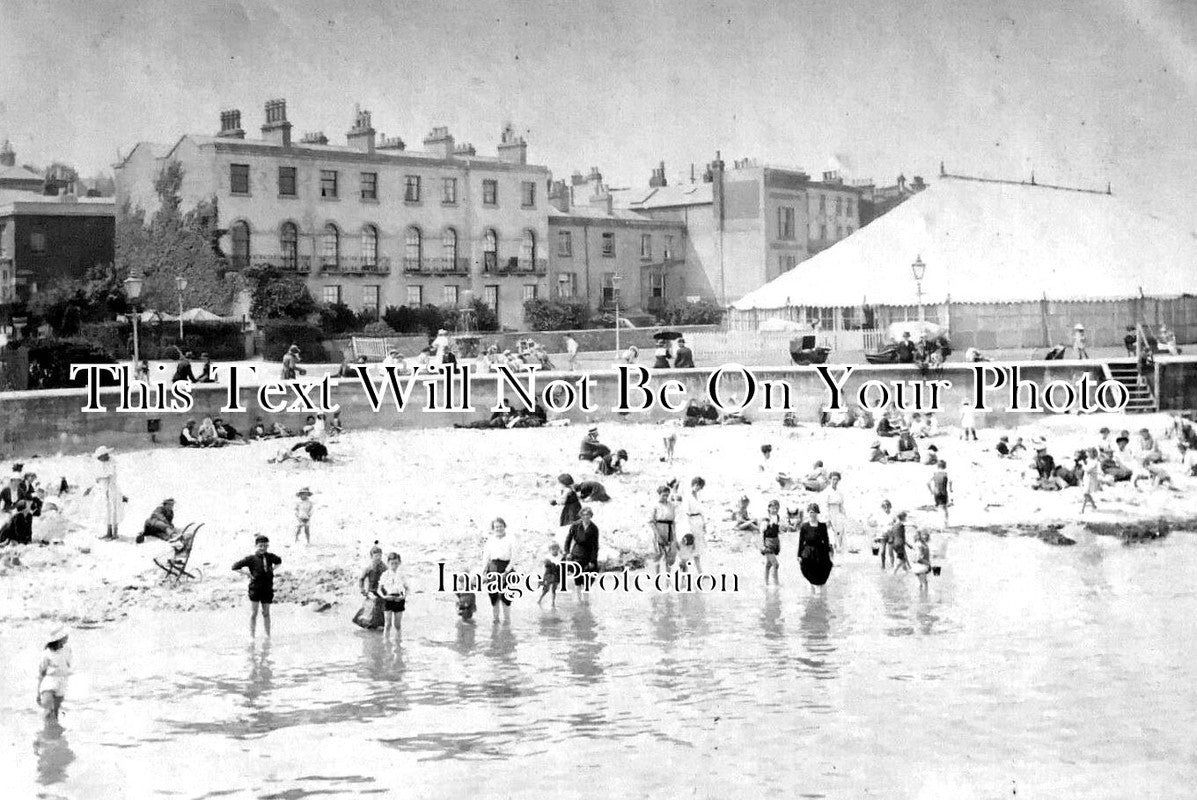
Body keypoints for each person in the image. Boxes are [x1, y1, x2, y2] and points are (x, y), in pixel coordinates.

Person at [232, 535, 282, 638]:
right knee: (254, 613)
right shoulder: (251, 558)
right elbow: (234, 567)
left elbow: (279, 561)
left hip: (267, 588)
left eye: (265, 546)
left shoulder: (270, 556)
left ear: (267, 546)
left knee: (266, 613)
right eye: (260, 546)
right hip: (255, 588)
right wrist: (247, 574)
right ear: (256, 546)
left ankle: (268, 636)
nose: (263, 548)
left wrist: (273, 569)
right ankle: (252, 636)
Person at [85, 446, 125, 540]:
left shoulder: (111, 462)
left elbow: (108, 476)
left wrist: (99, 479)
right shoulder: (104, 464)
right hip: (106, 490)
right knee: (107, 512)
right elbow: (99, 478)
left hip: (112, 490)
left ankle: (114, 534)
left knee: (114, 511)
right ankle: (108, 532)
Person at [483, 518, 515, 625]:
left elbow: (514, 558)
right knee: (494, 596)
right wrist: (484, 572)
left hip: (506, 568)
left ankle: (507, 620)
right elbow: (486, 557)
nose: (498, 529)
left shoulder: (511, 539)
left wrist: (506, 572)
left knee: (506, 597)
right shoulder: (490, 540)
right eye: (496, 527)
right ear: (493, 528)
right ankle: (495, 619)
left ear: (504, 526)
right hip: (492, 568)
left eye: (500, 526)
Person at [564, 506, 600, 601]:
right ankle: (579, 600)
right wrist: (567, 552)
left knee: (588, 579)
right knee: (578, 579)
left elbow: (595, 546)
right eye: (583, 515)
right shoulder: (575, 525)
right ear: (581, 515)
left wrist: (593, 560)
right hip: (576, 554)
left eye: (588, 515)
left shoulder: (594, 528)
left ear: (591, 516)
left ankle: (586, 601)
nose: (585, 517)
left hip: (588, 554)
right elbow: (568, 540)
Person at [37, 627, 71, 725]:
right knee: (48, 711)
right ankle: (43, 735)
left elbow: (68, 665)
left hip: (62, 682)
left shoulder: (67, 649)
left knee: (55, 712)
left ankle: (54, 735)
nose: (67, 636)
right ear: (59, 638)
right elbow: (41, 673)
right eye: (65, 635)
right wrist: (38, 692)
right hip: (49, 682)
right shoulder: (47, 653)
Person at [797, 503, 833, 594]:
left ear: (817, 513)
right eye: (810, 512)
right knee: (809, 575)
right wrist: (799, 555)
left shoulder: (822, 526)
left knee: (820, 577)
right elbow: (801, 542)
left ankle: (819, 599)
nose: (812, 514)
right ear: (808, 513)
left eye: (814, 512)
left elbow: (826, 541)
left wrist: (829, 554)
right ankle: (812, 596)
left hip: (820, 553)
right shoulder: (804, 526)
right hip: (808, 554)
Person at [678, 477, 708, 574]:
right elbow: (686, 513)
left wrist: (704, 524)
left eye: (700, 487)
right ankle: (682, 566)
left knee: (698, 549)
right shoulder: (688, 496)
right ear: (694, 484)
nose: (699, 488)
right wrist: (688, 529)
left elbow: (702, 511)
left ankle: (700, 572)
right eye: (698, 485)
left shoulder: (698, 496)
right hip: (691, 522)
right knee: (689, 547)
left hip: (698, 521)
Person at [354, 544, 387, 630]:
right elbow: (361, 579)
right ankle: (369, 629)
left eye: (380, 555)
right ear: (371, 556)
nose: (378, 558)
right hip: (371, 592)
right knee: (368, 613)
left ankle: (380, 629)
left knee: (381, 614)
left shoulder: (384, 567)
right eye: (376, 556)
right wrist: (363, 590)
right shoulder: (368, 568)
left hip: (381, 593)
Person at [648, 484, 679, 574]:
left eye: (667, 495)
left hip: (669, 530)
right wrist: (658, 535)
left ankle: (668, 579)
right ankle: (657, 577)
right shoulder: (655, 505)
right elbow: (651, 521)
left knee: (669, 556)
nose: (665, 497)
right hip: (658, 529)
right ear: (659, 494)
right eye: (663, 495)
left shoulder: (671, 505)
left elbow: (673, 521)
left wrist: (674, 536)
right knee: (658, 554)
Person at [377, 552, 409, 640]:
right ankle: (386, 643)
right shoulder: (385, 574)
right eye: (392, 563)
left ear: (399, 563)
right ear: (388, 563)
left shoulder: (401, 575)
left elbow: (407, 588)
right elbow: (379, 589)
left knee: (397, 625)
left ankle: (398, 644)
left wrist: (404, 597)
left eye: (396, 563)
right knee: (387, 624)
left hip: (399, 599)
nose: (394, 565)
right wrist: (384, 597)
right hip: (388, 598)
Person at [821, 472, 847, 552]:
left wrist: (844, 516)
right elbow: (824, 506)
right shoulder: (826, 491)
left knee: (839, 536)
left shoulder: (840, 492)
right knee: (830, 537)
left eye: (837, 479)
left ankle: (837, 557)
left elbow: (842, 505)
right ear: (830, 479)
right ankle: (829, 558)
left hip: (838, 515)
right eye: (833, 479)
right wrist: (827, 519)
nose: (835, 481)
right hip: (830, 513)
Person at [761, 498, 783, 585]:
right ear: (769, 508)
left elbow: (777, 531)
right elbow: (761, 533)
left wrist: (779, 543)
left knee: (768, 564)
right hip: (768, 543)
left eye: (777, 508)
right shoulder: (766, 520)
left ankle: (766, 583)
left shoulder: (777, 517)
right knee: (776, 564)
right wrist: (763, 546)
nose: (775, 510)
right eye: (773, 508)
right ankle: (776, 583)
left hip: (775, 542)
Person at [870, 499, 895, 569]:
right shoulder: (880, 515)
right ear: (882, 508)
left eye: (888, 506)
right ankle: (883, 565)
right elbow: (876, 525)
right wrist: (875, 536)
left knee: (890, 552)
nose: (886, 508)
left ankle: (892, 566)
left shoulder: (893, 515)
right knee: (882, 551)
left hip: (890, 535)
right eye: (884, 507)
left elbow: (896, 524)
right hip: (882, 535)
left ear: (890, 506)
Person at [538, 541, 564, 608]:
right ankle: (540, 599)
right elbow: (541, 565)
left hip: (557, 574)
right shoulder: (547, 556)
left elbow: (564, 566)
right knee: (546, 589)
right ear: (550, 550)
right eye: (553, 549)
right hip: (548, 574)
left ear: (558, 549)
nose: (555, 550)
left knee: (554, 589)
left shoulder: (561, 557)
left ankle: (553, 602)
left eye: (556, 549)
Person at [928, 460, 952, 527]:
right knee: (944, 508)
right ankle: (945, 524)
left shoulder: (934, 474)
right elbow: (950, 482)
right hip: (943, 492)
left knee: (939, 507)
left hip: (936, 492)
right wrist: (950, 489)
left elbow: (928, 483)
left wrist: (931, 491)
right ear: (945, 466)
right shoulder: (946, 474)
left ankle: (939, 523)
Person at [1080, 449, 1101, 514]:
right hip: (1087, 479)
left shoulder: (1095, 462)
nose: (1088, 454)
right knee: (1087, 493)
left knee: (1085, 493)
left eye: (1089, 452)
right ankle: (1094, 505)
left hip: (1091, 480)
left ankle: (1082, 509)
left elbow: (1088, 469)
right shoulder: (1089, 460)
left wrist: (1083, 464)